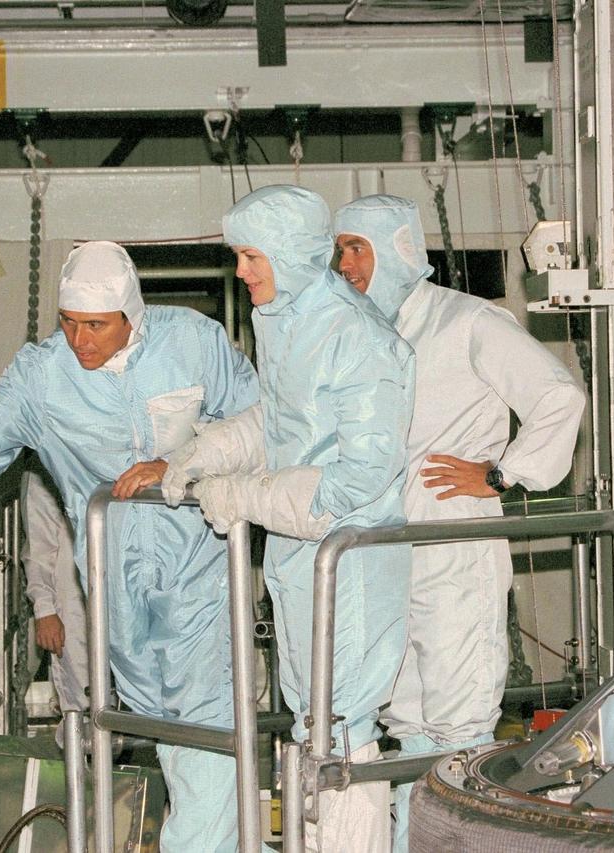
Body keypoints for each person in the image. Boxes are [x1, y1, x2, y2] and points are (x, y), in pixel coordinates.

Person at [0, 241, 260, 850]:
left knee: (207, 722)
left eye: (96, 325)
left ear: (133, 314)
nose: (80, 340)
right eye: (69, 323)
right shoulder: (41, 377)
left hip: (200, 566)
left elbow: (260, 423)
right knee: (166, 729)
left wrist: (186, 460)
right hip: (113, 582)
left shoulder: (193, 344)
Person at [164, 185, 416, 851]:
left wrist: (246, 495)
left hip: (349, 568)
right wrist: (207, 450)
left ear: (292, 254)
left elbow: (359, 477)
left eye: (251, 256)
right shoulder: (289, 320)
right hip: (303, 566)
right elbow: (281, 421)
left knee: (342, 732)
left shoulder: (356, 336)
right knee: (314, 725)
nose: (241, 272)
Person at [333, 194, 587, 851]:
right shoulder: (359, 333)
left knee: (461, 724)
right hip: (384, 550)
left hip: (454, 546)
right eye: (339, 249)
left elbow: (559, 394)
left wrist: (504, 473)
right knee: (407, 719)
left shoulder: (467, 320)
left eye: (358, 247)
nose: (345, 263)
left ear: (398, 249)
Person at [20, 461, 88, 721]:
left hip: (114, 593)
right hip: (71, 601)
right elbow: (39, 550)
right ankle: (79, 757)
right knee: (81, 698)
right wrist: (44, 610)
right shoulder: (42, 471)